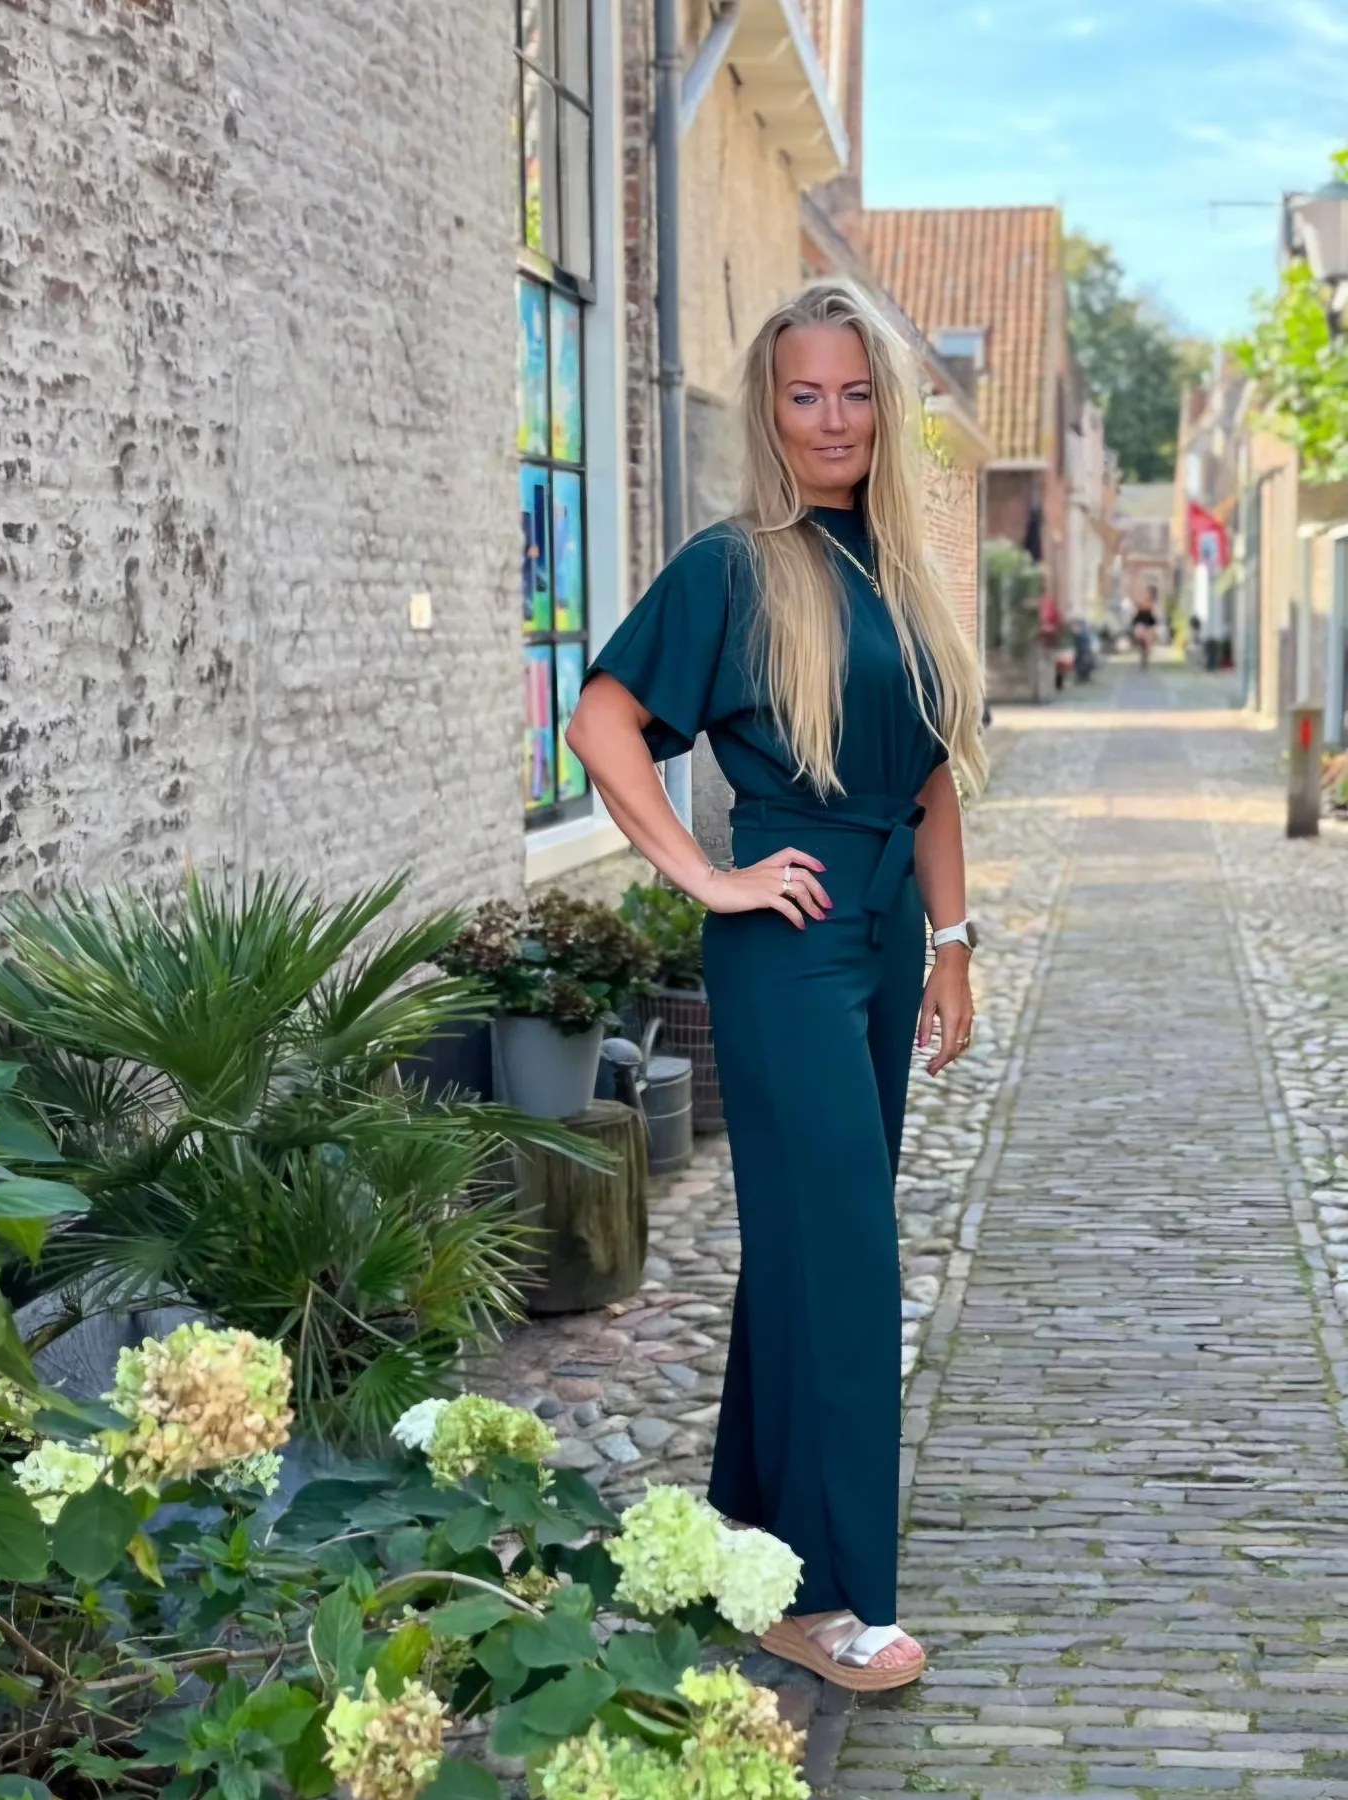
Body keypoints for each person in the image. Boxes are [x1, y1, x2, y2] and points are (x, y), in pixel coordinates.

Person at [565, 281, 987, 1692]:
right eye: (805, 395)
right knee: (849, 1261)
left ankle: (753, 1543)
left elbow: (928, 775)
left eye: (856, 393)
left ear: (887, 409)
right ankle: (834, 1595)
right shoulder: (733, 566)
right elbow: (602, 721)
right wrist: (707, 875)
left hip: (884, 941)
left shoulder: (904, 573)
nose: (832, 420)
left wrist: (955, 944)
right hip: (789, 940)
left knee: (812, 1245)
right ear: (768, 409)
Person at [1131, 589, 1159, 668]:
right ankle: (1142, 652)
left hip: (1148, 624)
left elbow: (1153, 616)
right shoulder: (1142, 606)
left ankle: (1145, 654)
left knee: (1148, 639)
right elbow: (1136, 616)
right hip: (1142, 623)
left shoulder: (1151, 605)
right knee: (1139, 635)